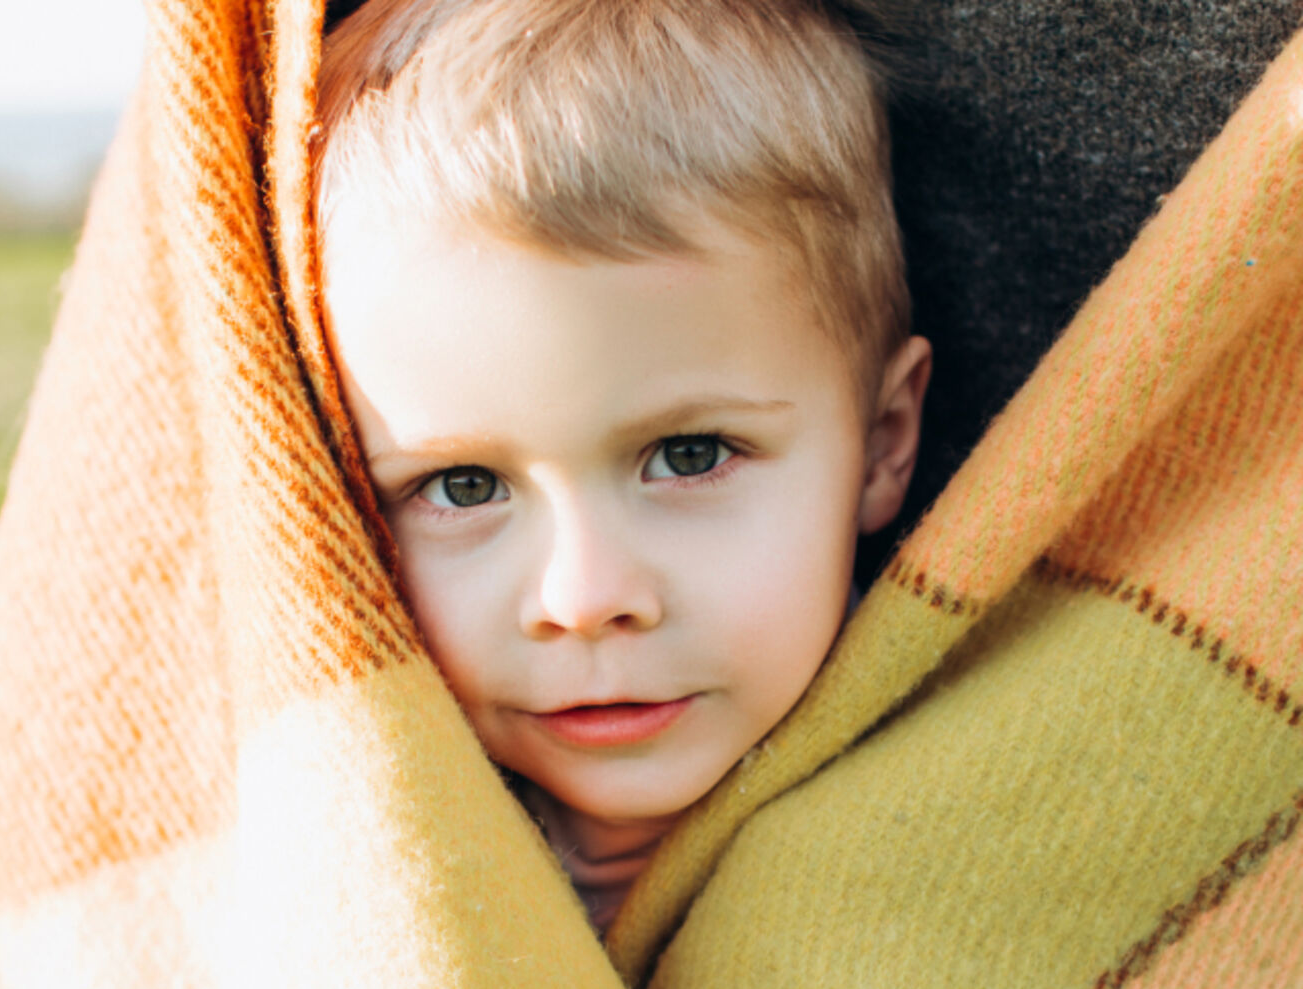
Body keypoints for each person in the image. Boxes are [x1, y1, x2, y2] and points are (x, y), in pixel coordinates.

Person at [313, 0, 932, 931]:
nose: (584, 595)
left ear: (884, 439)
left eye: (689, 456)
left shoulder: (971, 788)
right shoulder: (353, 875)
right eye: (463, 485)